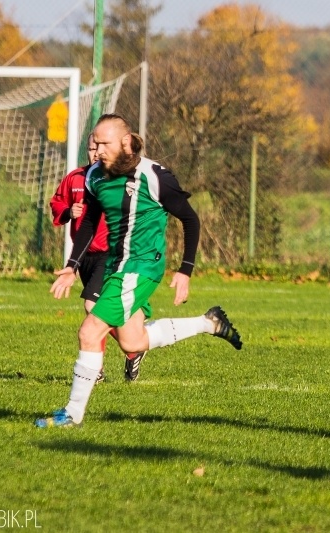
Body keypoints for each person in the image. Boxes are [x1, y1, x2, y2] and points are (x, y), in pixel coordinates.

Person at [36, 113, 242, 429]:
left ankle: (72, 414)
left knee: (90, 331)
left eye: (104, 144)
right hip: (117, 264)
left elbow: (190, 219)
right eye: (95, 144)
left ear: (126, 142)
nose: (98, 150)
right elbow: (90, 221)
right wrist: (70, 266)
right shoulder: (94, 175)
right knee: (132, 342)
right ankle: (208, 323)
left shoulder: (154, 176)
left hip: (142, 265)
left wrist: (185, 270)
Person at [50, 134, 147, 382]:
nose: (96, 153)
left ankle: (96, 369)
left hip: (110, 253)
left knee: (92, 306)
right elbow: (57, 202)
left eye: (100, 148)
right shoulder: (75, 178)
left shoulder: (116, 180)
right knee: (99, 310)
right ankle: (133, 347)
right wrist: (68, 211)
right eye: (92, 148)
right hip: (85, 257)